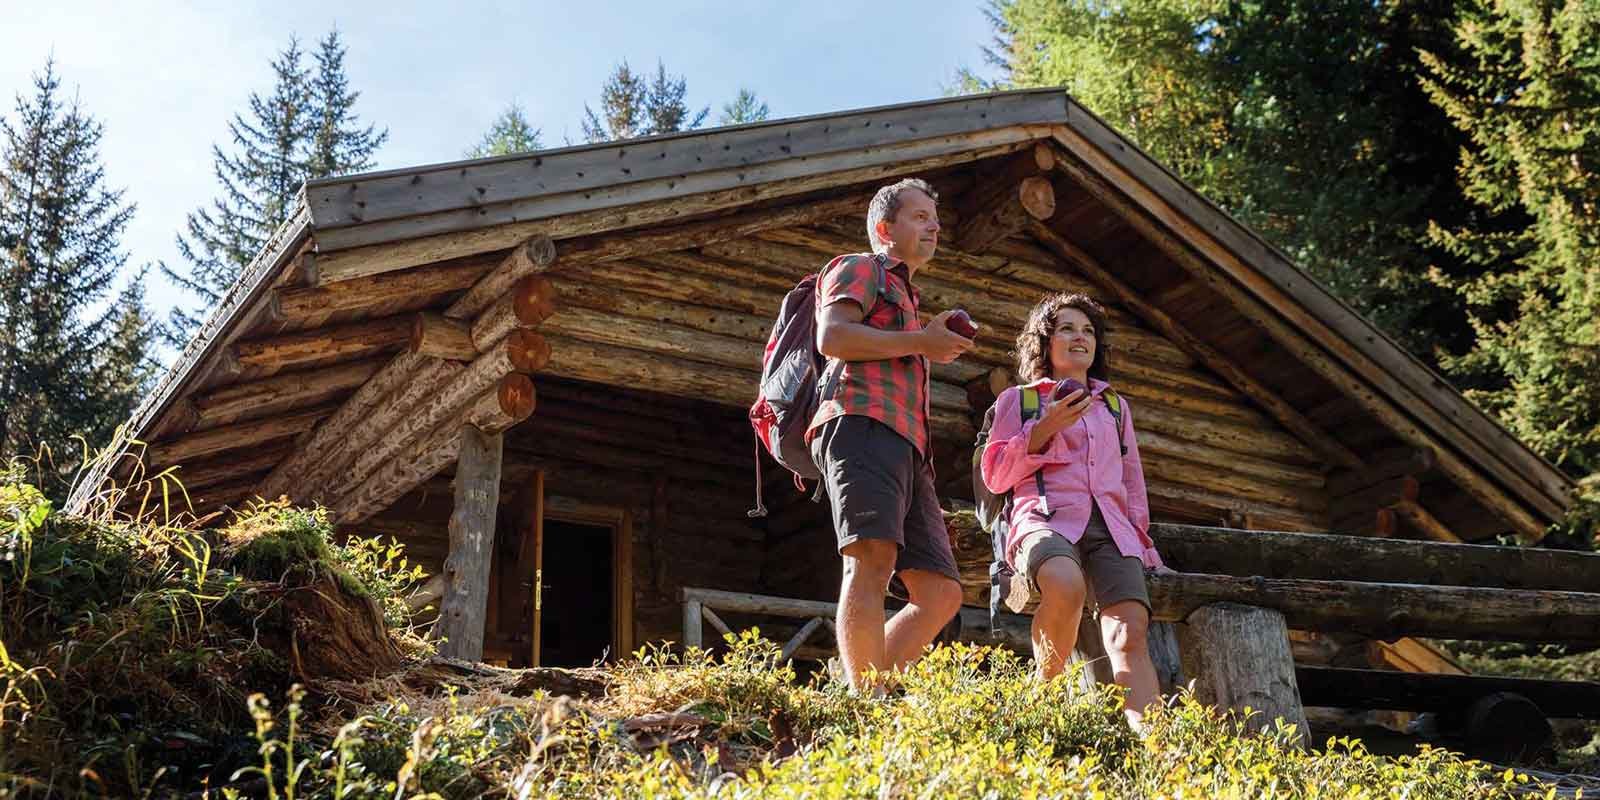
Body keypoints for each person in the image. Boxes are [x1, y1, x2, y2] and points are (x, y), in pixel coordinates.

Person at [809, 178, 974, 692]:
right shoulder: (860, 267)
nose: (934, 225)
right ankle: (865, 703)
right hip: (860, 422)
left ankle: (864, 690)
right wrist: (920, 340)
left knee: (942, 592)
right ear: (885, 228)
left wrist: (924, 338)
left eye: (935, 217)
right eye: (920, 216)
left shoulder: (908, 293)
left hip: (907, 446)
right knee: (872, 559)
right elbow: (832, 336)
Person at [979, 292, 1171, 730]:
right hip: (1044, 519)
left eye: (1088, 331)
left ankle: (1161, 753)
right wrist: (1044, 429)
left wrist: (1145, 547)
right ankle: (1042, 710)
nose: (1079, 337)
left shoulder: (1116, 408)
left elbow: (1132, 487)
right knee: (1065, 585)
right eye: (1066, 328)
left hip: (1113, 530)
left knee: (1130, 633)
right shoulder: (1019, 400)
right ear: (1045, 343)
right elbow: (995, 476)